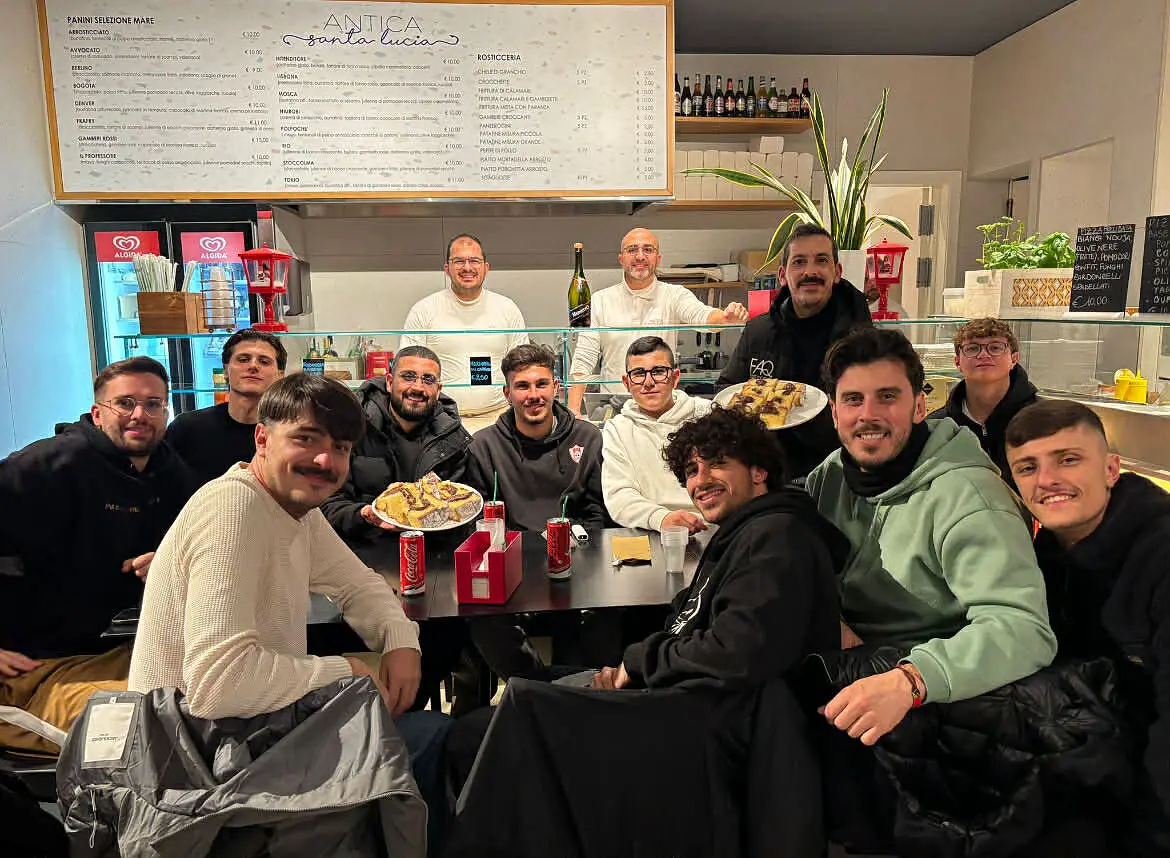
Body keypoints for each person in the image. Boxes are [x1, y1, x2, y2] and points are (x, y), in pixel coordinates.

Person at [126, 373, 451, 842]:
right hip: (192, 773)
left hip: (246, 736)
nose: (325, 460)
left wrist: (401, 641)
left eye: (340, 447)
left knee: (426, 738)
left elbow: (358, 584)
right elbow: (219, 685)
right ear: (262, 438)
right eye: (306, 439)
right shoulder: (233, 509)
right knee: (431, 744)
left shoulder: (292, 508)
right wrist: (349, 670)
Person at [805, 327, 1055, 744]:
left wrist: (912, 680)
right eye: (853, 399)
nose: (868, 415)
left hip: (932, 701)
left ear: (920, 406)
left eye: (887, 397)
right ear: (834, 412)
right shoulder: (829, 476)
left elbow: (1024, 629)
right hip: (846, 667)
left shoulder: (969, 495)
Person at [0, 357, 199, 755]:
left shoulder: (167, 469)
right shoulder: (47, 466)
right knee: (161, 729)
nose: (139, 414)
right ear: (97, 413)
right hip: (31, 671)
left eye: (153, 404)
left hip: (105, 650)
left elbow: (200, 539)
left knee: (218, 694)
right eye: (125, 403)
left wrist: (170, 559)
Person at [1006, 400, 1170, 855]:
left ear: (1111, 469)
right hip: (1087, 769)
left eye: (1068, 460)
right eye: (1027, 468)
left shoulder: (1159, 555)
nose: (1046, 480)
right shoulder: (1042, 558)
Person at [592, 407, 844, 691]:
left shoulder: (777, 537)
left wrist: (638, 662)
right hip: (671, 693)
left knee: (547, 697)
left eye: (717, 463)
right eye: (692, 471)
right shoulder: (739, 534)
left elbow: (736, 654)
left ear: (759, 471)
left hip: (711, 712)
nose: (701, 481)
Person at [718, 224, 872, 477]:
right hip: (764, 473)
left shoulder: (861, 339)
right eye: (799, 262)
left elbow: (868, 412)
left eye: (821, 260)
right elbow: (727, 389)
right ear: (782, 275)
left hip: (837, 473)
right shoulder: (759, 331)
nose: (810, 271)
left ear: (836, 272)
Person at [567, 227, 747, 416]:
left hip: (663, 407)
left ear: (658, 258)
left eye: (648, 249)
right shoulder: (600, 300)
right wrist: (573, 411)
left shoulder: (675, 295)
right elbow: (584, 358)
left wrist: (725, 317)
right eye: (632, 250)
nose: (640, 256)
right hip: (615, 407)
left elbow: (701, 316)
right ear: (621, 259)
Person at [322, 345, 472, 540]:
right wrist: (364, 515)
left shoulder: (454, 440)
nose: (417, 388)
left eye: (428, 379)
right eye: (408, 377)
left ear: (438, 390)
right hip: (364, 547)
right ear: (390, 382)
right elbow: (328, 503)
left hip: (431, 551)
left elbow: (460, 515)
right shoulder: (352, 429)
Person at [466, 343, 606, 533]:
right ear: (507, 394)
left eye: (541, 384)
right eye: (522, 386)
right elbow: (479, 521)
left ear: (555, 387)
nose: (533, 395)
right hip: (509, 547)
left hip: (575, 546)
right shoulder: (483, 447)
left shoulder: (587, 438)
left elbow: (597, 515)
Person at [401, 234, 528, 434]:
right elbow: (407, 370)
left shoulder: (507, 309)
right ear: (447, 269)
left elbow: (523, 368)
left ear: (486, 267)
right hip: (440, 421)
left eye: (474, 261)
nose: (467, 267)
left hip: (499, 420)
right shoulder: (423, 310)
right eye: (459, 261)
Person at [602, 336, 712, 534]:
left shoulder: (708, 414)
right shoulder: (617, 429)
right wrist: (662, 518)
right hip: (651, 529)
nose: (648, 382)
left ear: (675, 377)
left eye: (658, 371)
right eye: (638, 374)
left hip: (712, 525)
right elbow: (619, 497)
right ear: (626, 383)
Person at [166, 329, 287, 484]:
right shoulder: (186, 428)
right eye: (243, 359)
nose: (253, 366)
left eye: (264, 361)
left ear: (280, 376)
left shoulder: (288, 434)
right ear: (225, 370)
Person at [930, 317, 1038, 489]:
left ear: (1014, 359)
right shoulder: (937, 426)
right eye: (972, 348)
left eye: (995, 347)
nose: (983, 355)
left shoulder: (1042, 419)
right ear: (957, 362)